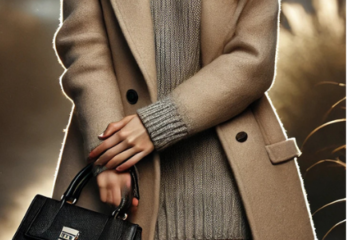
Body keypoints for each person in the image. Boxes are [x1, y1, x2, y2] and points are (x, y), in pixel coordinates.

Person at [51, 0, 317, 239]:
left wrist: (157, 124)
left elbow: (253, 60)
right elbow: (85, 50)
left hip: (234, 187)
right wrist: (109, 158)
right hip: (124, 180)